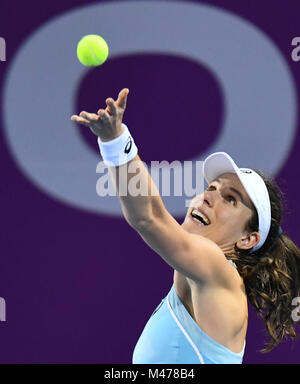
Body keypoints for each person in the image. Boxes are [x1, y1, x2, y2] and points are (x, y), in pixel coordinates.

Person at [71, 88, 300, 364]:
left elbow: (149, 218)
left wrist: (116, 141)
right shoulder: (196, 280)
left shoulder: (219, 271)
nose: (209, 197)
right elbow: (153, 216)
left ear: (248, 239)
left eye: (230, 199)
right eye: (211, 188)